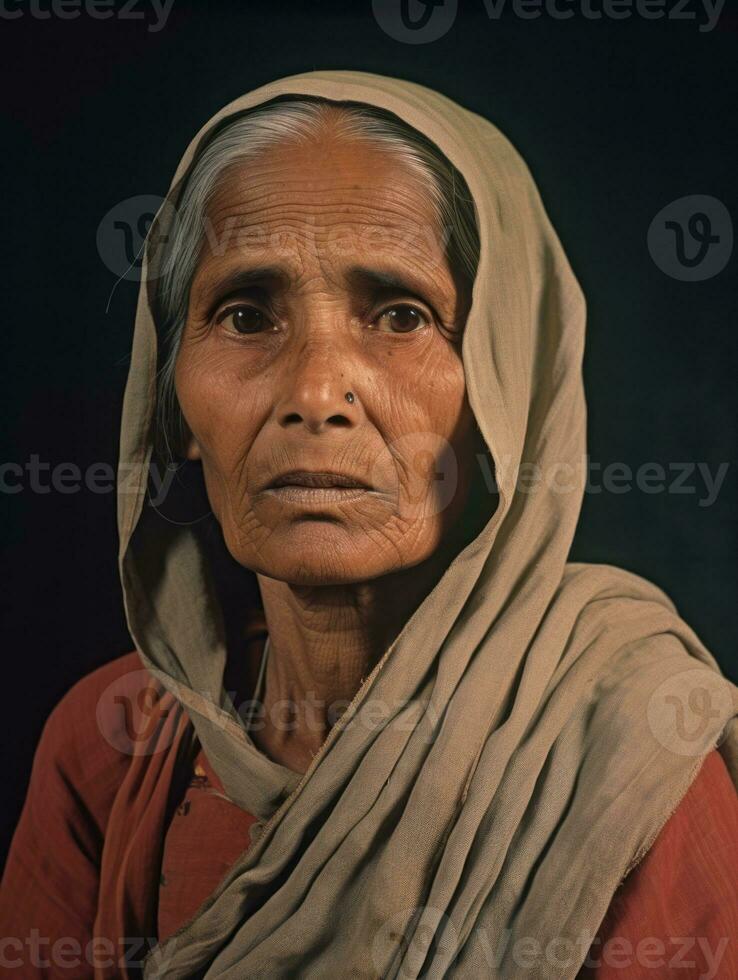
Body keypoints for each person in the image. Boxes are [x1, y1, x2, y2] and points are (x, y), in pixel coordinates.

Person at [2, 70, 736, 980]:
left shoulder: (625, 761)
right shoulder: (112, 750)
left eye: (399, 315)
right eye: (244, 314)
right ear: (176, 401)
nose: (315, 395)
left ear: (508, 391)